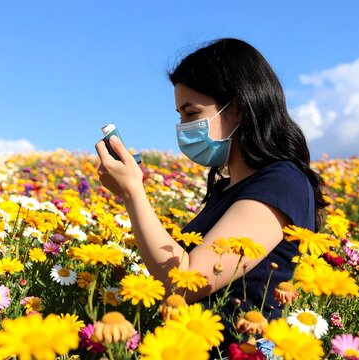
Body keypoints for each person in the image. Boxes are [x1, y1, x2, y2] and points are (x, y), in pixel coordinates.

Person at [95, 38, 327, 357]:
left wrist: (133, 192)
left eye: (191, 113)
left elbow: (185, 282)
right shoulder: (227, 188)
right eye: (180, 115)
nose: (182, 127)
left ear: (237, 107)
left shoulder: (282, 183)